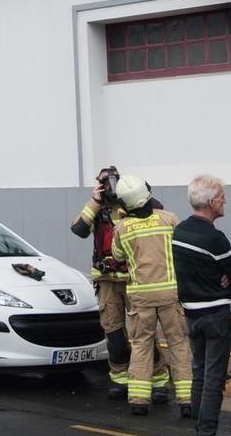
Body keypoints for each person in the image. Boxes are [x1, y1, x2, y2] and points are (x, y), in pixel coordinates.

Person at [71, 168, 170, 403]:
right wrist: (95, 202)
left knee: (143, 333)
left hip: (133, 278)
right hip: (107, 281)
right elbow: (78, 229)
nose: (111, 187)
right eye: (106, 182)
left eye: (114, 181)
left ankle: (158, 379)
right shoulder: (96, 208)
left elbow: (157, 209)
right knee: (114, 333)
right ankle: (120, 379)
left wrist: (133, 193)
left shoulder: (133, 203)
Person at [173, 173, 231, 436]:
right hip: (216, 315)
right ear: (212, 201)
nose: (224, 201)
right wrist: (224, 277)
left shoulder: (179, 232)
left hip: (191, 313)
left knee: (200, 375)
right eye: (222, 197)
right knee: (214, 380)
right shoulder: (215, 238)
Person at [112, 174, 192, 418]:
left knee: (141, 346)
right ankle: (187, 400)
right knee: (178, 344)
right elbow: (182, 249)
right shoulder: (169, 220)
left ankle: (138, 399)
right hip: (170, 294)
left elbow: (117, 257)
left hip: (140, 299)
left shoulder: (122, 228)